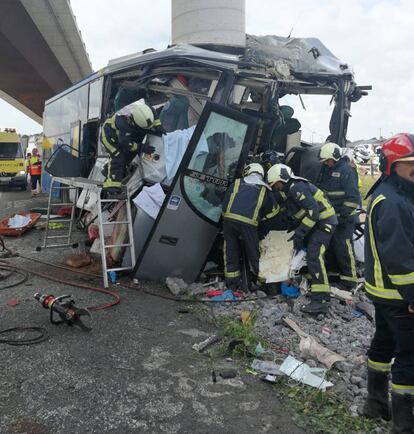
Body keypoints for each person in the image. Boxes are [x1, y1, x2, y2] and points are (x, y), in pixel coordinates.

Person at [363, 133, 414, 432]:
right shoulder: (393, 201)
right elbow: (400, 257)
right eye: (411, 166)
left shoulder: (390, 192)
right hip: (398, 295)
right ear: (393, 165)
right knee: (410, 356)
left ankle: (375, 404)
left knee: (383, 345)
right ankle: (404, 425)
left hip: (382, 293)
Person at [267, 164, 337, 314]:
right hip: (319, 224)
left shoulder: (296, 187)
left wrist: (299, 233)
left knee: (314, 256)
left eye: (276, 184)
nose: (276, 187)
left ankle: (321, 300)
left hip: (324, 223)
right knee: (313, 256)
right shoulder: (290, 189)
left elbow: (313, 213)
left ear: (283, 179)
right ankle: (318, 293)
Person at [222, 163, 277, 291]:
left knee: (230, 250)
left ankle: (232, 282)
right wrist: (261, 221)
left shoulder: (237, 182)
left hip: (229, 220)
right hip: (249, 224)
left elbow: (225, 200)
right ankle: (266, 284)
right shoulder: (265, 189)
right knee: (254, 254)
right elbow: (273, 212)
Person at [317, 142, 361, 291]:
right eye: (324, 162)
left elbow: (353, 197)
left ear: (335, 157)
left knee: (344, 247)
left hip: (344, 218)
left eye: (327, 161)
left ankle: (349, 281)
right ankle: (334, 276)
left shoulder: (347, 171)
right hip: (330, 217)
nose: (326, 164)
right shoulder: (326, 169)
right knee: (330, 247)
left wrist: (344, 216)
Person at [100, 102, 161, 198]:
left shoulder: (144, 110)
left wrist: (158, 125)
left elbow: (152, 110)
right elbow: (125, 143)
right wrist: (141, 147)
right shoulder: (124, 125)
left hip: (122, 136)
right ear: (134, 122)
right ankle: (111, 186)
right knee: (118, 156)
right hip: (109, 137)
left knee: (128, 155)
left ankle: (107, 169)